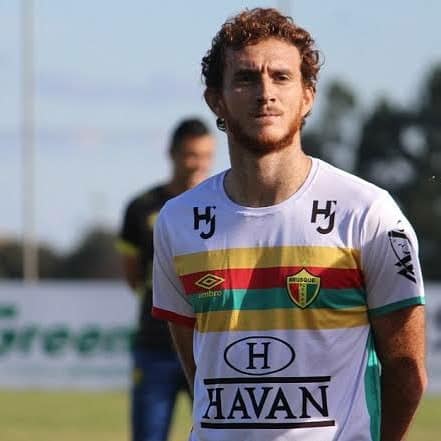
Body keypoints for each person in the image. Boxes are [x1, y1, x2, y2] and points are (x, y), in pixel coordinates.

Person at [152, 8, 426, 441]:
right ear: (215, 100)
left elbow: (407, 374)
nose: (265, 93)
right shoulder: (178, 221)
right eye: (246, 78)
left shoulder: (369, 213)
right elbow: (199, 366)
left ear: (307, 96)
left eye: (281, 77)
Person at [117, 118, 215, 441]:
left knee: (219, 434)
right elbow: (133, 276)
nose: (198, 164)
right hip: (154, 346)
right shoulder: (140, 208)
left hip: (208, 348)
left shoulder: (222, 206)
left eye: (206, 156)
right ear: (171, 154)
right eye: (191, 155)